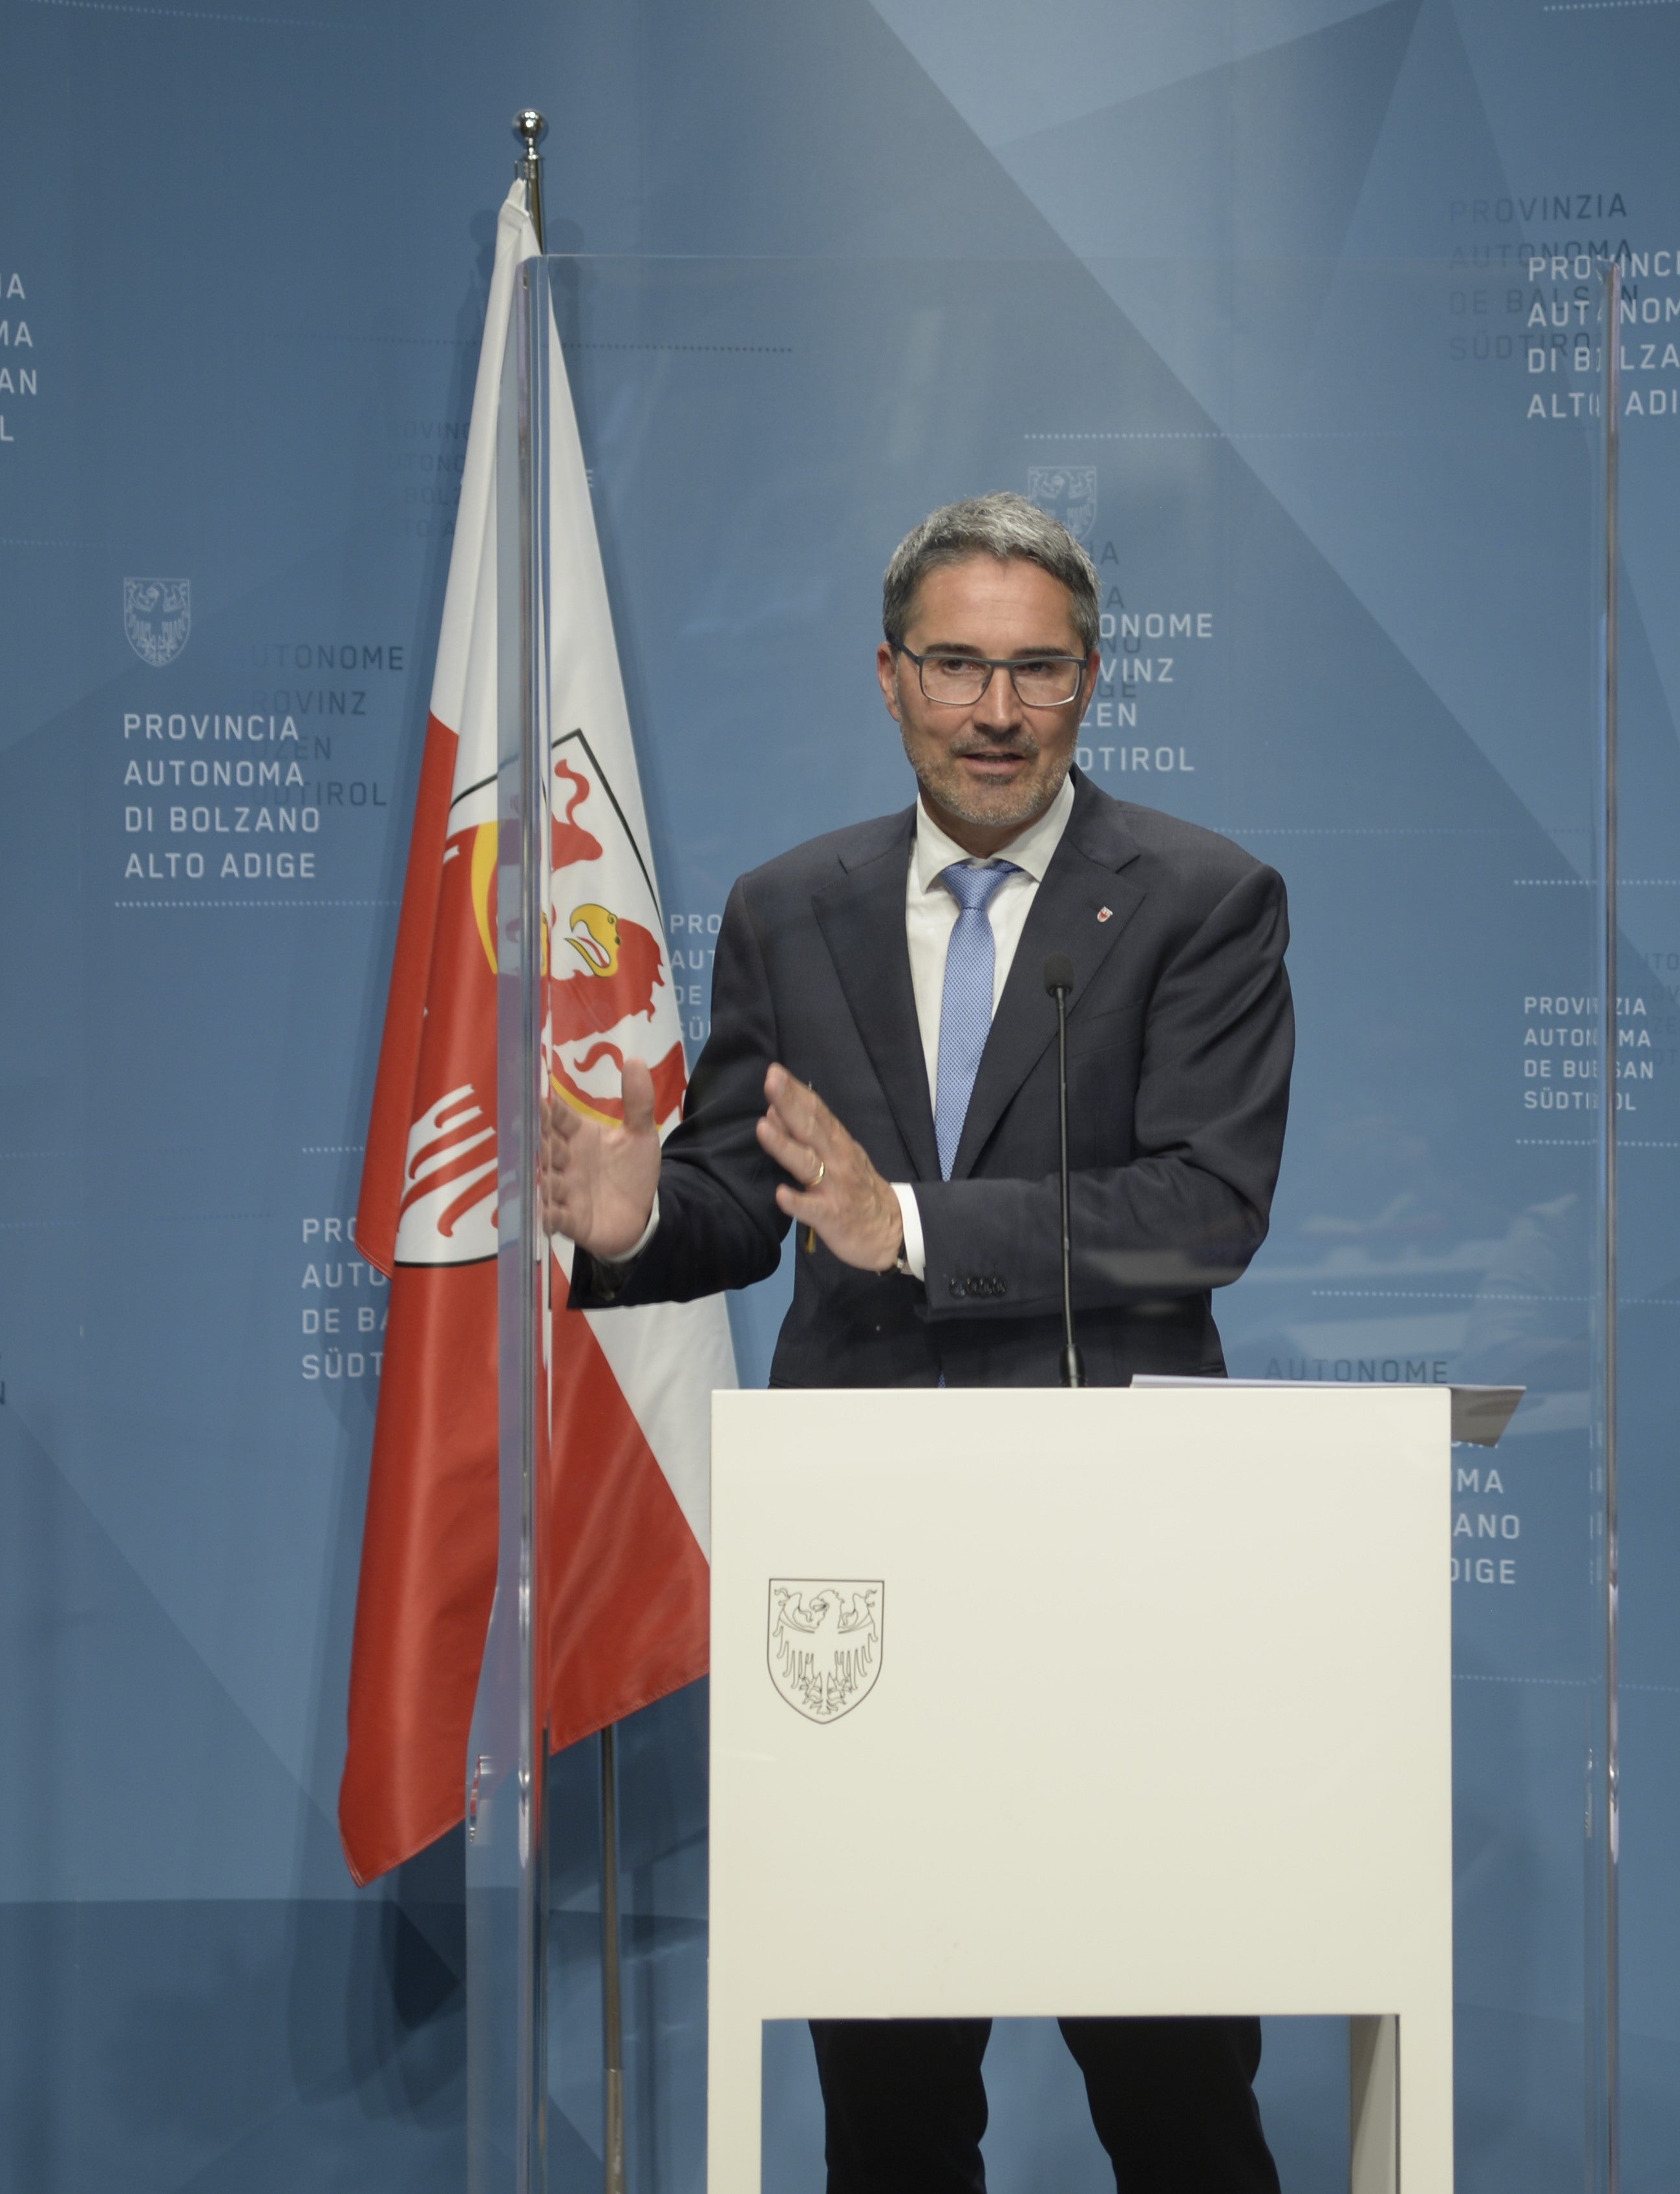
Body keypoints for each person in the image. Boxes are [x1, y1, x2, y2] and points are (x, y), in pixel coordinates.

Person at [542, 491, 1293, 2193]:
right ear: (888, 677)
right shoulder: (786, 904)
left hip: (1124, 1579)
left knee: (1176, 2094)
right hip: (860, 1587)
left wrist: (920, 1230)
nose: (996, 708)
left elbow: (1203, 1204)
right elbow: (753, 1195)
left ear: (1091, 683)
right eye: (957, 664)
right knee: (885, 2106)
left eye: (1036, 669)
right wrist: (640, 1216)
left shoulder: (1201, 898)